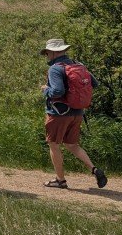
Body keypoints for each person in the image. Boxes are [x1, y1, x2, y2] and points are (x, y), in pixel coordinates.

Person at [41, 38, 107, 189]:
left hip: (58, 113)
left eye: (47, 53)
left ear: (52, 52)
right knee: (72, 145)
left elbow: (57, 91)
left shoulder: (55, 69)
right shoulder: (78, 65)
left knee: (53, 144)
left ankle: (60, 180)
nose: (47, 56)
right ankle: (94, 169)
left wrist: (46, 90)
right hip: (77, 113)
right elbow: (94, 83)